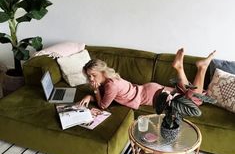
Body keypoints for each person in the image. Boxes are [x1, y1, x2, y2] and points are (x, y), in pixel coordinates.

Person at [79, 48, 216, 110]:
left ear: (102, 72)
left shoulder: (111, 85)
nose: (91, 79)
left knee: (194, 101)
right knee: (185, 94)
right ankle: (180, 68)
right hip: (150, 88)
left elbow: (103, 106)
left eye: (93, 75)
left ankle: (202, 68)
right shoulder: (111, 79)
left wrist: (95, 90)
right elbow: (103, 97)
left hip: (153, 95)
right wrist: (89, 96)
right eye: (88, 76)